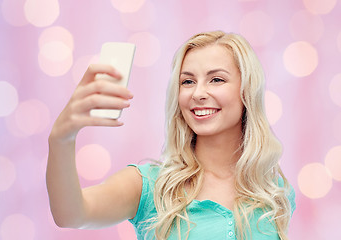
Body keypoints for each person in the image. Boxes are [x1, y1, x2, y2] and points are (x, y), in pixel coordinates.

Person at [46, 30, 296, 240]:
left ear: (247, 91)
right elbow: (71, 214)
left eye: (216, 79)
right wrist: (61, 139)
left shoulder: (274, 191)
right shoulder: (149, 186)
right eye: (187, 82)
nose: (198, 93)